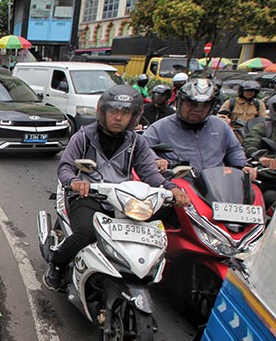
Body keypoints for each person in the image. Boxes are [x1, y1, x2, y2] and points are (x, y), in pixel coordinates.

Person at [43, 85, 190, 291]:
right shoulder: (83, 136)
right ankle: (57, 264)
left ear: (134, 116)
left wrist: (171, 188)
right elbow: (65, 167)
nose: (118, 117)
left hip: (123, 200)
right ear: (103, 112)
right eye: (113, 111)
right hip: (88, 196)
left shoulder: (137, 142)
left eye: (125, 113)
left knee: (145, 237)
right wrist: (75, 182)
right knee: (86, 233)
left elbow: (150, 173)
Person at [143, 79, 256, 178]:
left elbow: (234, 149)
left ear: (212, 107)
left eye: (204, 106)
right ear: (179, 103)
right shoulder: (160, 127)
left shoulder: (220, 126)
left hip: (218, 184)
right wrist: (156, 159)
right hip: (180, 184)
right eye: (191, 104)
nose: (197, 110)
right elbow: (142, 147)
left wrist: (243, 165)